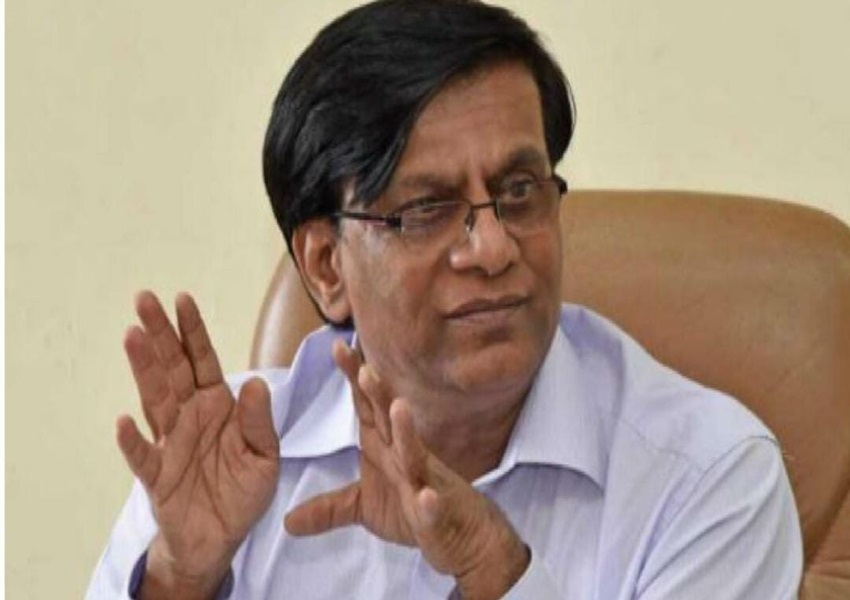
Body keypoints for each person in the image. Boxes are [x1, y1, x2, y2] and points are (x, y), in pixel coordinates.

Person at [87, 0, 803, 598]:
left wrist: (496, 569)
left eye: (518, 191)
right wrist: (182, 580)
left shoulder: (708, 478)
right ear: (327, 264)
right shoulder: (216, 469)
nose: (493, 249)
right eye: (426, 209)